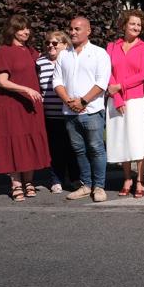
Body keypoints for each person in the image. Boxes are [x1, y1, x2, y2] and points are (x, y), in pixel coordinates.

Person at [53, 16, 112, 202]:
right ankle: (86, 185)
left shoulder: (99, 53)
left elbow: (102, 82)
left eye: (77, 29)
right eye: (71, 29)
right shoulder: (64, 54)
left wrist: (83, 101)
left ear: (88, 31)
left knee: (96, 149)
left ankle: (99, 186)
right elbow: (57, 81)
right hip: (70, 112)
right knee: (78, 150)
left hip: (92, 110)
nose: (72, 32)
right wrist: (69, 101)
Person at [0, 15, 50, 201]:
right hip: (11, 105)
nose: (26, 31)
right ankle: (16, 184)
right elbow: (2, 82)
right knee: (14, 142)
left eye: (28, 28)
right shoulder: (4, 51)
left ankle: (29, 182)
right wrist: (26, 89)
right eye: (21, 28)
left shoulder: (32, 51)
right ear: (12, 30)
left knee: (29, 141)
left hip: (30, 105)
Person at [106, 9, 144, 198]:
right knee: (121, 141)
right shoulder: (111, 46)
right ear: (124, 25)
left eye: (139, 25)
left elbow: (143, 75)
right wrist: (116, 96)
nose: (135, 27)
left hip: (137, 99)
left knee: (138, 141)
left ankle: (140, 179)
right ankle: (127, 177)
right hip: (115, 100)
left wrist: (120, 86)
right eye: (132, 23)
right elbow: (106, 71)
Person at [36, 30, 78, 193]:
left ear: (65, 45)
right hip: (50, 114)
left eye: (55, 43)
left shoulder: (71, 61)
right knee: (55, 149)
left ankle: (75, 178)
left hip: (70, 112)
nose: (50, 46)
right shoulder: (40, 63)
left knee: (73, 148)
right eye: (48, 43)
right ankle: (56, 179)